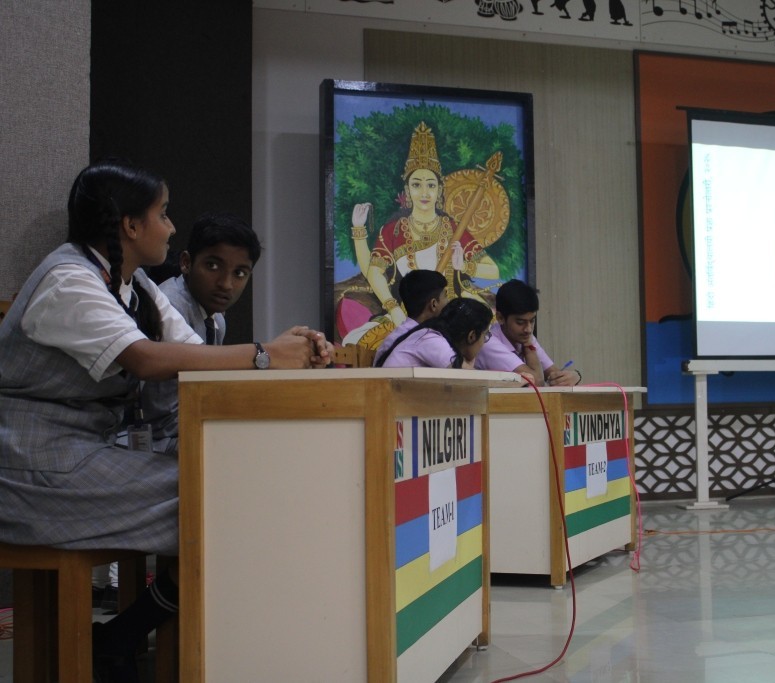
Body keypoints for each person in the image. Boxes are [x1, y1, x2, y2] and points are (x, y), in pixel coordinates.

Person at [0, 159, 330, 683]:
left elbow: (198, 357)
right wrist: (266, 354)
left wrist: (291, 351)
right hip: (32, 466)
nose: (172, 226)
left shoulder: (134, 286)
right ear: (131, 225)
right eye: (164, 213)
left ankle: (127, 638)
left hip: (80, 454)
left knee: (242, 491)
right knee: (230, 499)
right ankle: (130, 640)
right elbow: (146, 360)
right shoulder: (68, 278)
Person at [134, 211, 262, 454]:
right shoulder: (170, 309)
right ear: (186, 262)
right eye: (213, 266)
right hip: (155, 440)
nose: (226, 284)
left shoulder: (217, 318)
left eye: (239, 273)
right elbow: (160, 415)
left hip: (184, 428)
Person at [350, 121, 500, 328]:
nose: (424, 192)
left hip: (452, 311)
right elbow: (374, 273)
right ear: (407, 189)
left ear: (439, 190)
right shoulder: (393, 230)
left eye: (431, 185)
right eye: (416, 185)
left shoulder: (452, 228)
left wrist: (464, 266)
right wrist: (393, 308)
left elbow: (493, 271)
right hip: (409, 315)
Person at [473, 279, 577, 386]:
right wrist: (529, 349)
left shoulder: (524, 335)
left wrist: (575, 376)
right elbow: (536, 383)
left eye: (532, 321)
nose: (528, 329)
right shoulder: (488, 343)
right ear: (500, 318)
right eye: (520, 322)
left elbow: (555, 374)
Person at [376, 297, 492, 370]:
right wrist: (471, 359)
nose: (484, 341)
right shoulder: (432, 340)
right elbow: (468, 378)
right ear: (472, 336)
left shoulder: (432, 336)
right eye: (485, 335)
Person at [373, 268, 448, 365]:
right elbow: (460, 370)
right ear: (433, 304)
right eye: (445, 296)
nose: (448, 302)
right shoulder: (425, 338)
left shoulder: (391, 339)